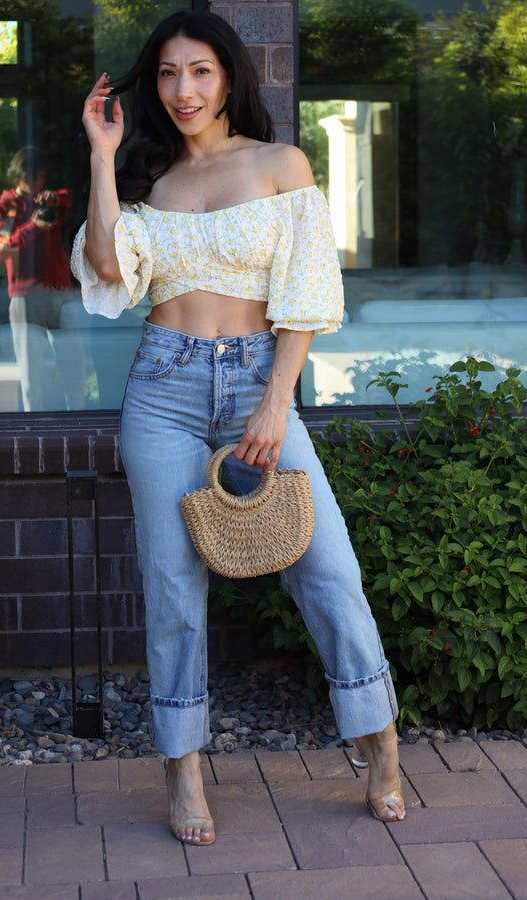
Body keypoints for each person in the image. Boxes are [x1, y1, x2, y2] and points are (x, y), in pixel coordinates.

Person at [71, 10, 406, 846]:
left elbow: (306, 291)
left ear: (230, 79)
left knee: (327, 568)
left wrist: (273, 402)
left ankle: (382, 743)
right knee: (173, 586)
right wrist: (104, 157)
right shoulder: (149, 178)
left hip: (261, 381)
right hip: (163, 392)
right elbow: (109, 270)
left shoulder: (279, 164)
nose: (183, 91)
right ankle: (184, 772)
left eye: (201, 72)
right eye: (168, 75)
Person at [0, 147, 81, 410]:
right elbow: (2, 249)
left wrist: (53, 199)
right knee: (31, 375)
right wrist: (32, 226)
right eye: (30, 177)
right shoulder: (6, 208)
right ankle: (35, 434)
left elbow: (75, 198)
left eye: (40, 177)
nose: (35, 183)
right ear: (18, 176)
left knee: (73, 368)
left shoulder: (47, 200)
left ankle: (76, 423)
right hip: (25, 296)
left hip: (59, 293)